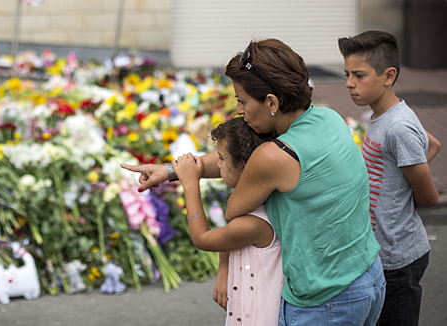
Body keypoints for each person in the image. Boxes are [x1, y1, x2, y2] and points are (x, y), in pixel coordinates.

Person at [122, 38, 385, 325]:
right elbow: (237, 162)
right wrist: (170, 170)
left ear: (271, 102)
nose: (238, 110)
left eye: (242, 100)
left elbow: (235, 205)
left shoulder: (274, 156)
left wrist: (188, 179)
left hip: (325, 302)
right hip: (367, 276)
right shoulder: (327, 119)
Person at [339, 31, 441, 326]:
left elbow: (430, 198)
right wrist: (398, 180)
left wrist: (404, 188)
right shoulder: (384, 116)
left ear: (389, 75)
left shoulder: (397, 127)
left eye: (358, 75)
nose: (348, 83)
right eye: (347, 74)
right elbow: (431, 143)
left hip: (399, 260)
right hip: (380, 253)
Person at [173, 117, 282, 326]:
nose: (217, 164)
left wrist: (190, 184)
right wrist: (224, 269)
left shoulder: (254, 223)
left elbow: (202, 238)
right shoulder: (250, 203)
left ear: (242, 165)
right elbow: (231, 234)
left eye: (221, 158)